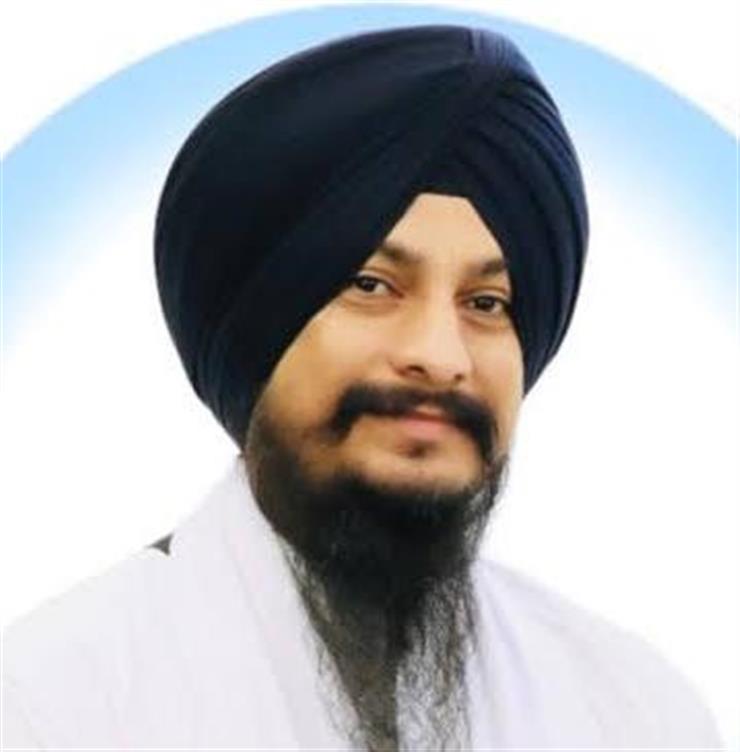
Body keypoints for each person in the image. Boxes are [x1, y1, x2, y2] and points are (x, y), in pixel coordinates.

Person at [2, 25, 721, 751]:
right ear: (260, 328)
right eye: (372, 286)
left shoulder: (633, 713)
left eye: (486, 304)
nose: (439, 357)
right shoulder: (52, 705)